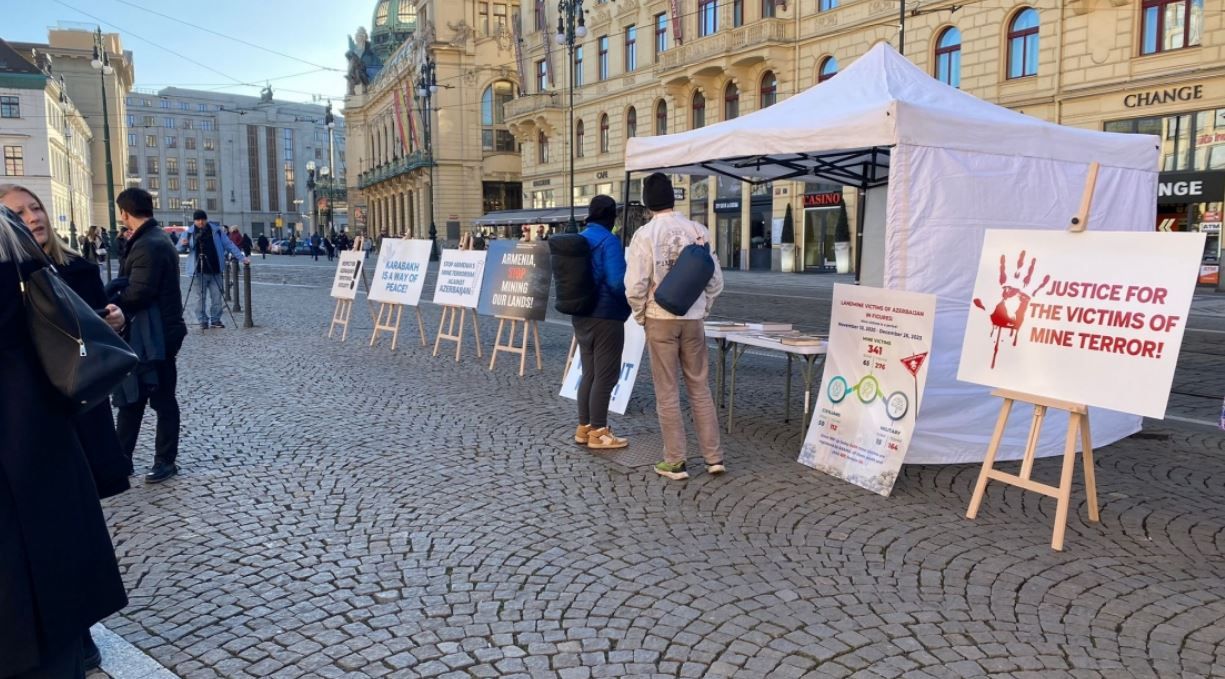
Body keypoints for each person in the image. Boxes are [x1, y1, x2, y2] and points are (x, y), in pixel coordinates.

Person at [0, 185, 130, 673]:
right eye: (23, 209)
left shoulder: (23, 253)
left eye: (36, 207)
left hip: (37, 445)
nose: (33, 216)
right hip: (39, 446)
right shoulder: (18, 253)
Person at [624, 173, 725, 481]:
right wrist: (702, 309)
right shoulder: (698, 230)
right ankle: (714, 458)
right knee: (699, 388)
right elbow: (716, 281)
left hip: (660, 319)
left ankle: (675, 461)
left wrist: (642, 316)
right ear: (673, 197)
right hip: (693, 320)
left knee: (667, 391)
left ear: (646, 202)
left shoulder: (644, 234)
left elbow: (634, 285)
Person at [114, 188, 189, 485]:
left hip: (156, 336)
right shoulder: (151, 239)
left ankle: (164, 461)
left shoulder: (149, 244)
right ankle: (121, 460)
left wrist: (115, 299)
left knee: (160, 398)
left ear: (125, 213)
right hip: (150, 333)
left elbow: (140, 291)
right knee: (133, 398)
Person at [572, 195, 632, 450]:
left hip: (581, 314)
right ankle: (599, 431)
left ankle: (584, 427)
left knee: (589, 373)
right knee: (606, 376)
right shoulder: (608, 241)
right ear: (611, 216)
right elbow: (619, 282)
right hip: (605, 315)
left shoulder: (581, 238)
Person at [178, 209, 248, 330]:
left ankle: (216, 320)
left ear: (206, 219)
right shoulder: (189, 232)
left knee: (217, 297)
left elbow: (229, 245)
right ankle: (202, 320)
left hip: (215, 270)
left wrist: (242, 258)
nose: (200, 222)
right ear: (194, 221)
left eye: (203, 219)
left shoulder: (216, 231)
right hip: (197, 271)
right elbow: (179, 247)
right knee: (200, 298)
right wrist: (183, 244)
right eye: (198, 220)